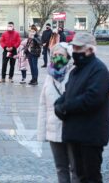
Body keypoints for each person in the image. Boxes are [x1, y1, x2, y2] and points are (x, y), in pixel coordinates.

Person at [54, 32, 109, 182]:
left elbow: (92, 98)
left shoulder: (99, 70)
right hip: (75, 132)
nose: (75, 51)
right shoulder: (76, 69)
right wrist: (58, 104)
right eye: (74, 47)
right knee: (80, 175)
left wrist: (66, 107)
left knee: (91, 176)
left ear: (90, 50)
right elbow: (68, 92)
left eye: (79, 48)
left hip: (90, 134)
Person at [37, 43, 79, 183]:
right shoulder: (49, 76)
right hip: (53, 129)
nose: (57, 58)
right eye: (54, 55)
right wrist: (42, 133)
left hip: (71, 129)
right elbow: (43, 105)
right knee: (60, 168)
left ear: (68, 56)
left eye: (61, 55)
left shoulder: (75, 73)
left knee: (76, 168)